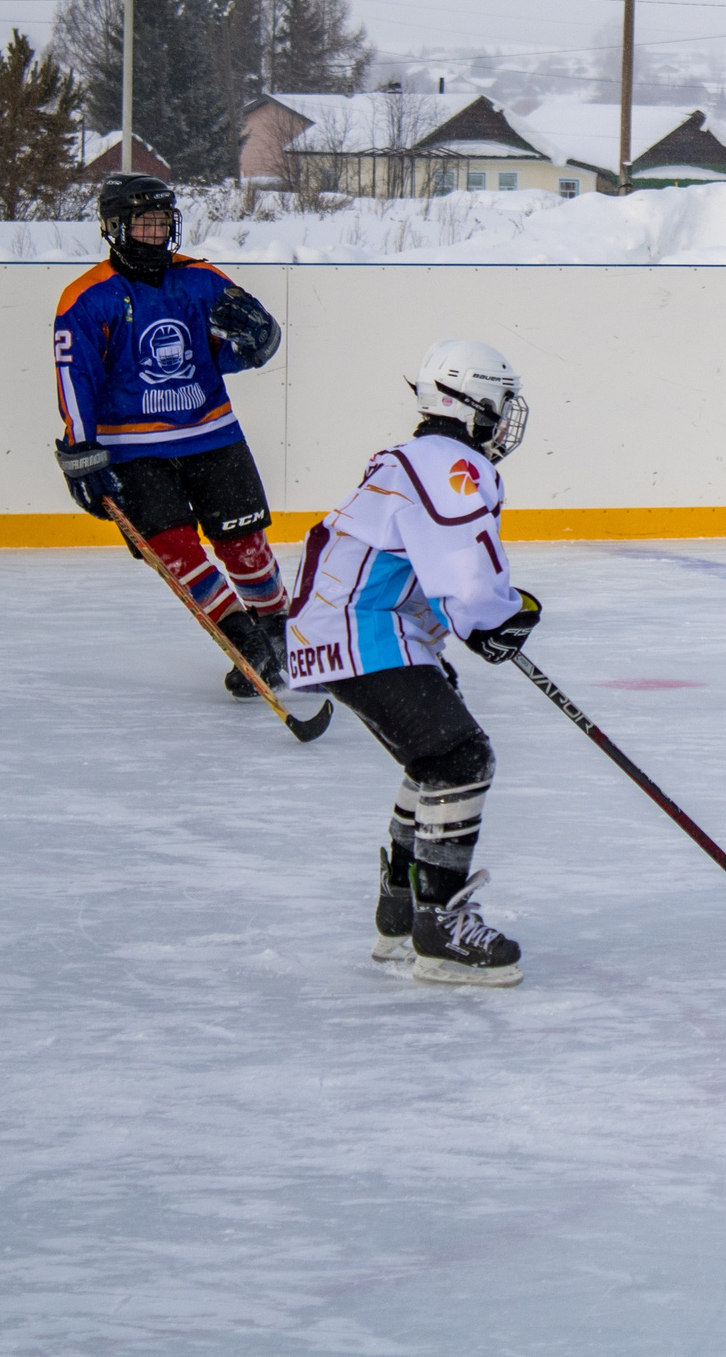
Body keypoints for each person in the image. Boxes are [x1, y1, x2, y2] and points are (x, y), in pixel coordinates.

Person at [282, 339, 540, 986]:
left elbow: (430, 561)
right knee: (460, 758)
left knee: (433, 760)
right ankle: (440, 927)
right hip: (363, 628)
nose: (506, 418)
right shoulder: (451, 463)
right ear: (475, 401)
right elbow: (465, 566)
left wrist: (488, 616)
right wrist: (492, 617)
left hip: (355, 628)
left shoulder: (417, 459)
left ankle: (401, 911)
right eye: (500, 403)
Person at [52, 173, 292, 698]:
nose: (157, 232)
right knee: (176, 551)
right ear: (116, 227)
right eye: (145, 222)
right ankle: (246, 644)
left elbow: (224, 352)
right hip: (133, 451)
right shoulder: (86, 299)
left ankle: (280, 632)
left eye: (163, 221)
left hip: (212, 433)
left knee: (244, 543)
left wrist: (259, 343)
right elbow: (78, 378)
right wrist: (80, 449)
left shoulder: (202, 280)